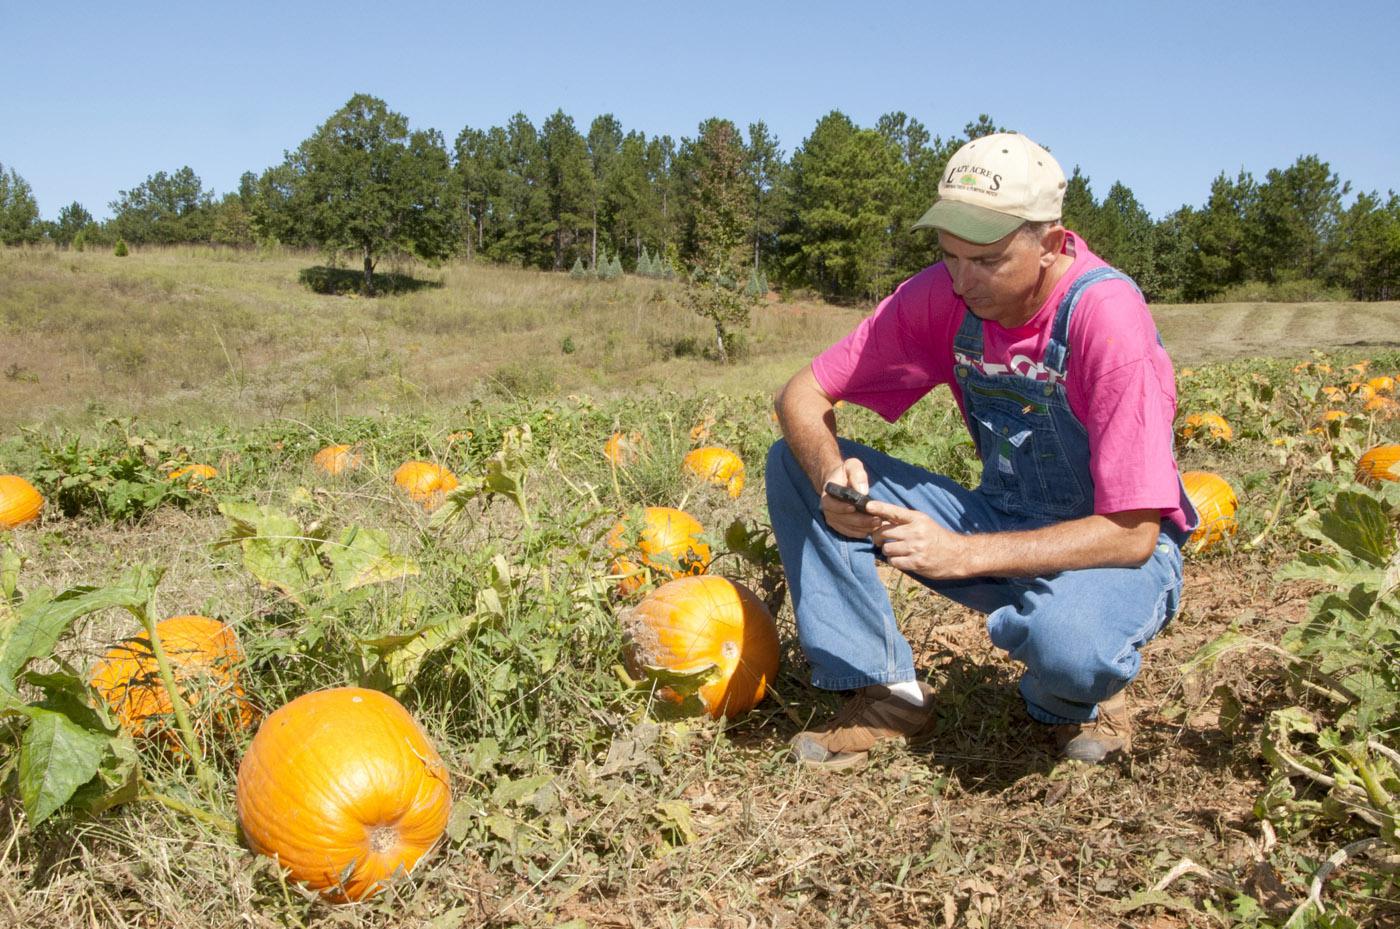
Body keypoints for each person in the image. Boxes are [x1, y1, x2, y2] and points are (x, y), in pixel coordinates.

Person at [766, 131, 1197, 769]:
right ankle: (885, 691)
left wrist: (964, 555)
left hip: (1115, 552)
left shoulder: (1105, 316)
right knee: (792, 463)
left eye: (988, 260)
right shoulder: (941, 293)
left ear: (1049, 244)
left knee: (1071, 645)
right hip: (1002, 517)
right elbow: (799, 396)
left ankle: (1075, 698)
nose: (962, 281)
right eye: (949, 256)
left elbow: (1133, 532)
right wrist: (835, 479)